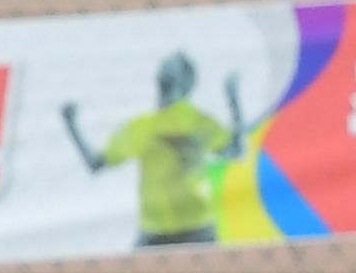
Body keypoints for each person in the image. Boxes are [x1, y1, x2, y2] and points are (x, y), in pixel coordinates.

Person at [64, 55, 243, 247]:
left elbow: (234, 151)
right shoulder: (157, 126)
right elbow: (96, 163)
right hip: (166, 231)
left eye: (170, 78)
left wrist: (71, 125)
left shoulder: (189, 123)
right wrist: (233, 102)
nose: (166, 83)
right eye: (166, 78)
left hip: (189, 229)